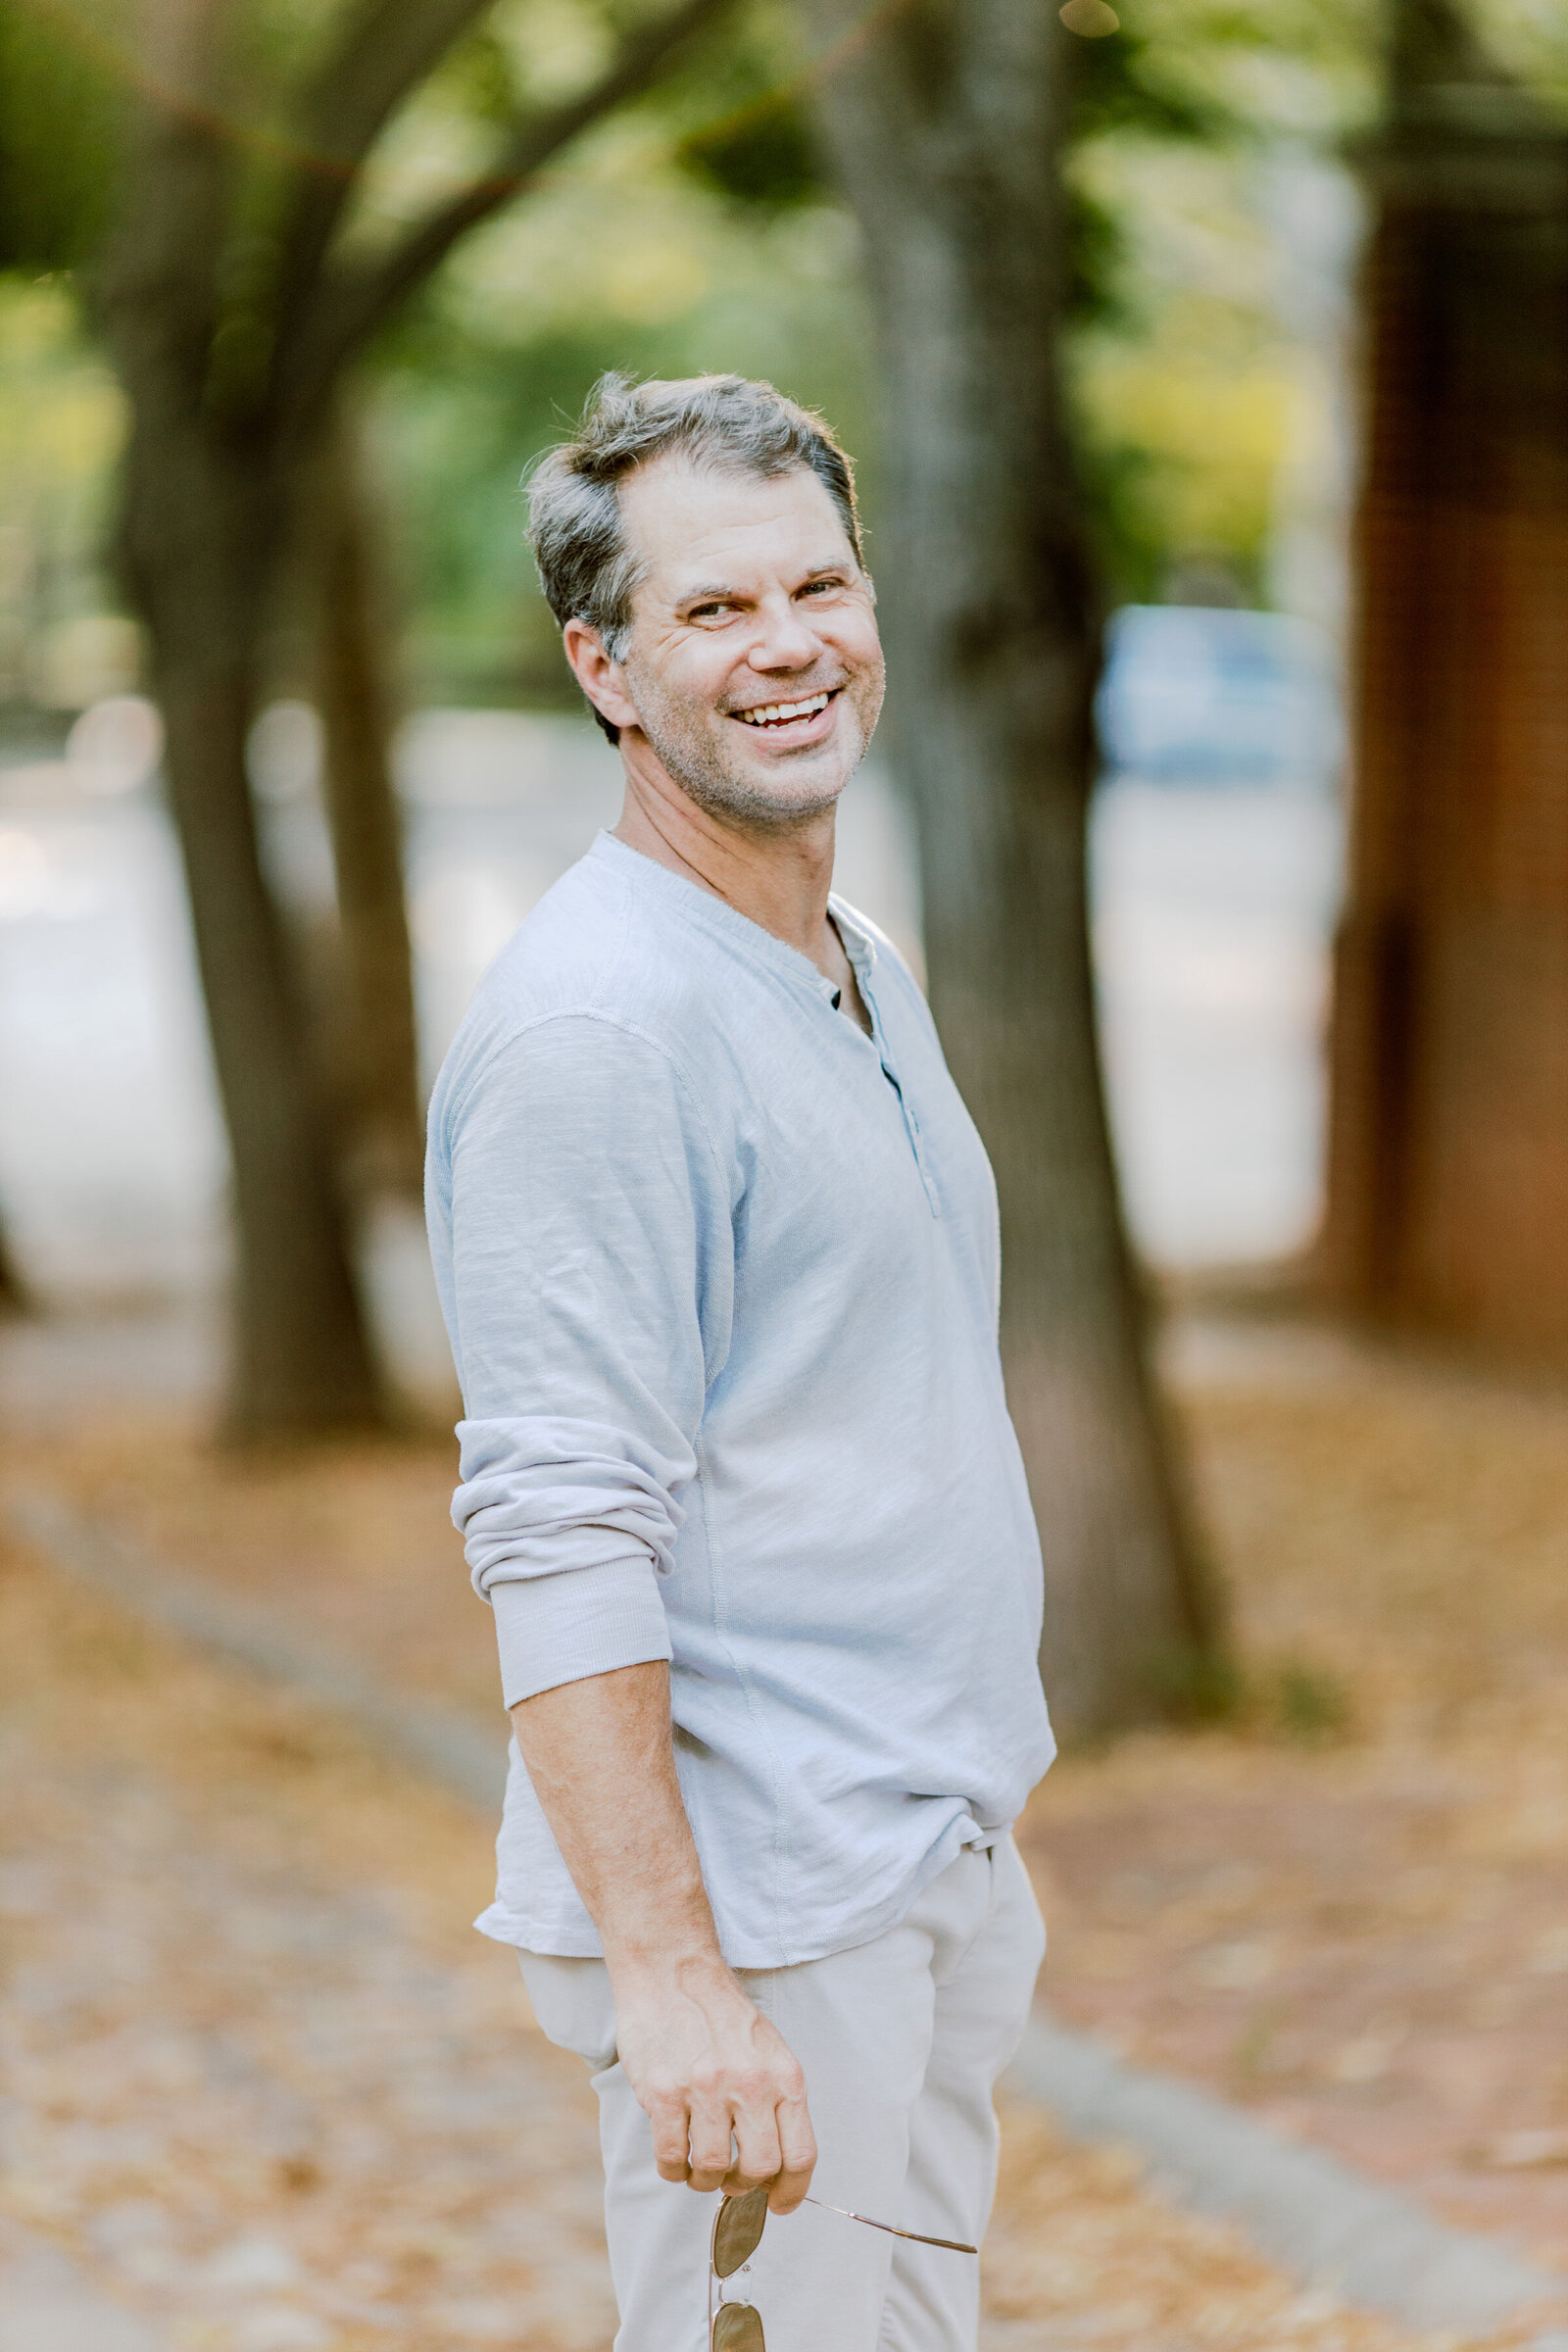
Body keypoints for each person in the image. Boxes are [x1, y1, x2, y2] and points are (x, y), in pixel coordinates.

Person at [425, 372, 1054, 2352]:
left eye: (817, 586)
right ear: (603, 667)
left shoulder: (845, 954)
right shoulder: (599, 1029)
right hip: (765, 1929)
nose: (786, 645)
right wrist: (675, 1976)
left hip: (915, 1867)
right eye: (711, 611)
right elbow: (555, 1522)